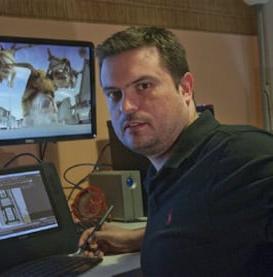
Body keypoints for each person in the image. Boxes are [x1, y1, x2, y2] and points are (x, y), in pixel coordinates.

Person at [78, 26, 273, 276]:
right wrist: (138, 239)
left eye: (144, 86)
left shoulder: (243, 158)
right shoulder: (167, 169)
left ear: (185, 88)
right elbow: (207, 223)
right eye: (115, 94)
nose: (126, 107)